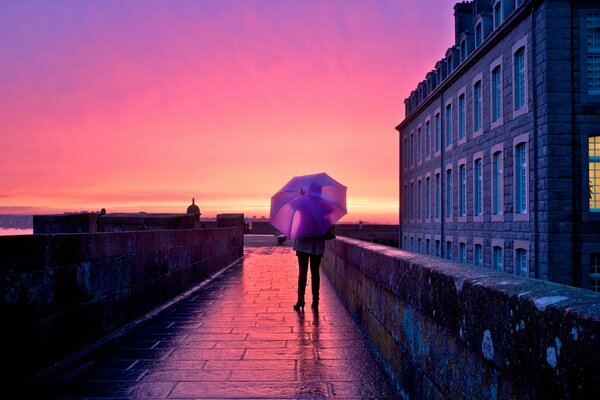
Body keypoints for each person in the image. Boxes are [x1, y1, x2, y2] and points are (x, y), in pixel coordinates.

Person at [292, 225, 335, 313]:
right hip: (317, 246)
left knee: (302, 274)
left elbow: (297, 229)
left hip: (303, 245)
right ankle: (315, 301)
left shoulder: (303, 213)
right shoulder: (322, 215)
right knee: (315, 274)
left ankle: (300, 300)